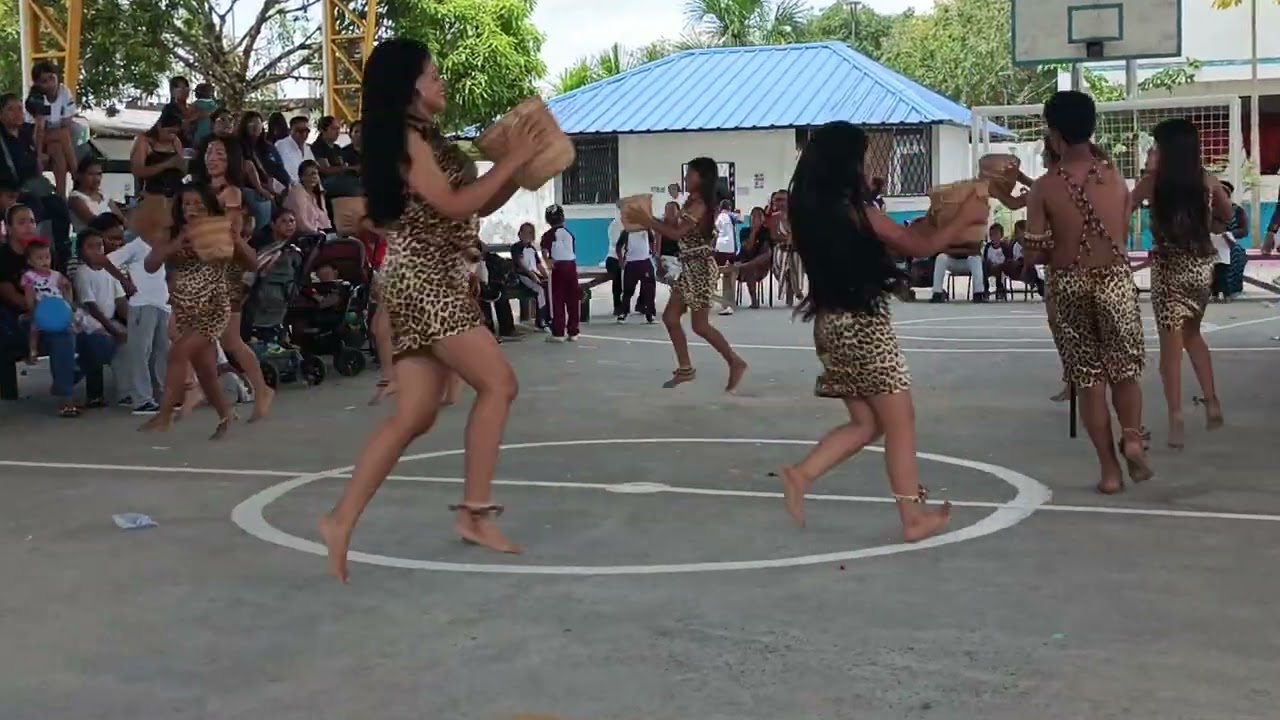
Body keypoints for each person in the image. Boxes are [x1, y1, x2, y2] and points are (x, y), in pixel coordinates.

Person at [321, 38, 544, 582]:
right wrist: (511, 159)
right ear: (410, 86)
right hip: (424, 281)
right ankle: (474, 512)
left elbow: (477, 202)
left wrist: (513, 170)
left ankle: (340, 519)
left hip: (428, 278)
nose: (442, 80)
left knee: (415, 415)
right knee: (499, 384)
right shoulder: (404, 138)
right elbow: (451, 206)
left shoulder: (425, 137)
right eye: (434, 73)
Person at [777, 121, 985, 541]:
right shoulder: (858, 212)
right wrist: (963, 214)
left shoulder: (811, 212)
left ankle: (801, 475)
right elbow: (922, 248)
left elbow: (902, 236)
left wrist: (932, 220)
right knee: (901, 420)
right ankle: (912, 518)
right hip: (863, 328)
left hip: (831, 325)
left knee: (867, 424)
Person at [1023, 91, 1151, 494]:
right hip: (1114, 279)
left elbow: (1037, 253)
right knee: (1125, 372)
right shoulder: (1114, 177)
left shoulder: (1044, 188)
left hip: (1068, 285)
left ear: (1053, 131)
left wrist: (1028, 239)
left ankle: (1110, 472)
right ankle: (1131, 435)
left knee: (1089, 380)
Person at [1130, 119, 1229, 449]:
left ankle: (1176, 417)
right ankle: (1212, 400)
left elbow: (1121, 211)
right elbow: (1227, 217)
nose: (1152, 151)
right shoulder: (1206, 180)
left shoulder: (1151, 184)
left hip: (1170, 270)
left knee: (1170, 351)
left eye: (1156, 146)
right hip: (1202, 269)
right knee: (1193, 335)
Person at [138, 182, 256, 439]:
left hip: (214, 304)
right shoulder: (171, 233)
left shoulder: (219, 230)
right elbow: (150, 265)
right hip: (185, 306)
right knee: (204, 369)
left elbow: (253, 262)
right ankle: (225, 416)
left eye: (198, 204)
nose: (191, 209)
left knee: (178, 353)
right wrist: (177, 243)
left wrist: (236, 241)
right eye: (186, 204)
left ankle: (165, 415)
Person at [629, 157, 748, 391]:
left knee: (700, 325)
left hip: (701, 269)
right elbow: (674, 229)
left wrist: (648, 221)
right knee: (671, 318)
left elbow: (677, 234)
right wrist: (650, 219)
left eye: (690, 174)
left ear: (701, 177)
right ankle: (685, 369)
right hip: (690, 267)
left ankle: (735, 362)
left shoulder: (701, 204)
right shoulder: (692, 201)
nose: (686, 177)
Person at [190, 133, 275, 421]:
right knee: (223, 339)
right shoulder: (199, 189)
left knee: (225, 339)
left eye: (221, 155)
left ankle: (250, 391)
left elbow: (228, 232)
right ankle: (240, 392)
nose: (213, 159)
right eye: (210, 153)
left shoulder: (232, 193)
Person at [104, 211, 171, 415]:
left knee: (163, 351)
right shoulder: (135, 246)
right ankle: (141, 398)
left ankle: (163, 393)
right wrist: (125, 282)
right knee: (141, 352)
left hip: (162, 304)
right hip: (142, 303)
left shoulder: (162, 244)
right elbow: (108, 261)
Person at [0, 93, 72, 270]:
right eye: (11, 109)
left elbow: (48, 136)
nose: (17, 113)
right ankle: (29, 258)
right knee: (33, 209)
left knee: (59, 206)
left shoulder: (25, 132)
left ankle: (61, 259)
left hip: (32, 187)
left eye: (19, 108)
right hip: (9, 191)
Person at [72, 228, 126, 408]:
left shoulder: (111, 271)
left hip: (109, 320)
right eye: (90, 247)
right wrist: (112, 329)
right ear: (80, 251)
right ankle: (93, 393)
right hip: (89, 322)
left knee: (131, 341)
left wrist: (133, 323)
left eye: (99, 246)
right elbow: (91, 307)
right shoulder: (82, 272)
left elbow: (120, 301)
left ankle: (127, 390)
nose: (96, 250)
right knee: (99, 345)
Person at [24, 61, 79, 198]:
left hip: (53, 136)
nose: (50, 84)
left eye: (52, 78)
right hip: (32, 135)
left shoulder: (64, 91)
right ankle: (77, 175)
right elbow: (39, 129)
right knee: (63, 135)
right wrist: (37, 155)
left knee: (58, 152)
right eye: (44, 81)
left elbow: (67, 122)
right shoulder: (36, 97)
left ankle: (61, 196)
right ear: (37, 84)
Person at [540, 204, 580, 341]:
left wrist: (547, 262)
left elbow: (545, 251)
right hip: (571, 266)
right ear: (563, 218)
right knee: (572, 299)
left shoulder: (548, 235)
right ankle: (573, 331)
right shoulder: (569, 234)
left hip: (558, 267)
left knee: (557, 299)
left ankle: (558, 332)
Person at [726, 206, 773, 308]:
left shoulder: (766, 232)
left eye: (759, 216)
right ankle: (730, 301)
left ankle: (754, 300)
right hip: (743, 262)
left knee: (764, 256)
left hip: (759, 266)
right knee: (740, 269)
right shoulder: (744, 231)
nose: (755, 219)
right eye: (753, 216)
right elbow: (747, 249)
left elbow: (766, 252)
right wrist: (754, 232)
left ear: (763, 219)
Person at [285, 160, 333, 235]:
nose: (313, 177)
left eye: (315, 174)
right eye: (308, 174)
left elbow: (325, 220)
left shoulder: (318, 193)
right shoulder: (297, 192)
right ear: (301, 178)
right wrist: (319, 234)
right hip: (303, 236)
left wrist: (329, 233)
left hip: (319, 234)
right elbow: (302, 223)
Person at [275, 115, 316, 184]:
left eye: (306, 130)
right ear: (290, 131)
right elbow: (287, 175)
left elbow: (314, 171)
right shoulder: (281, 145)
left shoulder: (307, 148)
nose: (304, 134)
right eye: (299, 131)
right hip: (290, 189)